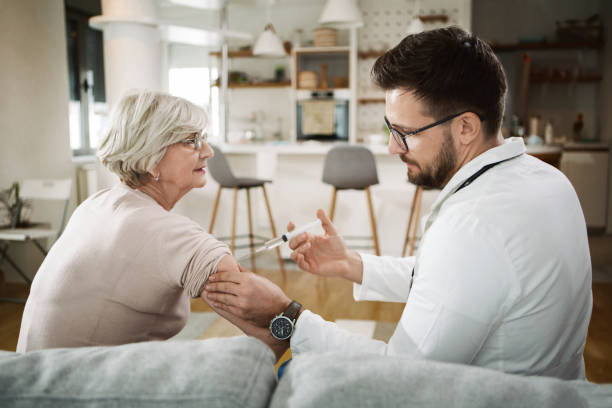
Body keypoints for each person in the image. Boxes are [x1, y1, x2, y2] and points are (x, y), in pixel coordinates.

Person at [202, 27, 592, 380]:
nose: (391, 147)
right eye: (391, 130)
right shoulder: (548, 180)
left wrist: (285, 316)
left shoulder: (473, 225)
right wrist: (350, 264)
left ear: (466, 127)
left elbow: (402, 374)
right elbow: (457, 283)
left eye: (405, 133)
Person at [17, 90, 239, 351]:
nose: (208, 151)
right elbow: (254, 305)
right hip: (74, 386)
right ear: (150, 158)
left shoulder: (95, 204)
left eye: (203, 138)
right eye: (191, 140)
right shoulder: (164, 232)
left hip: (31, 375)